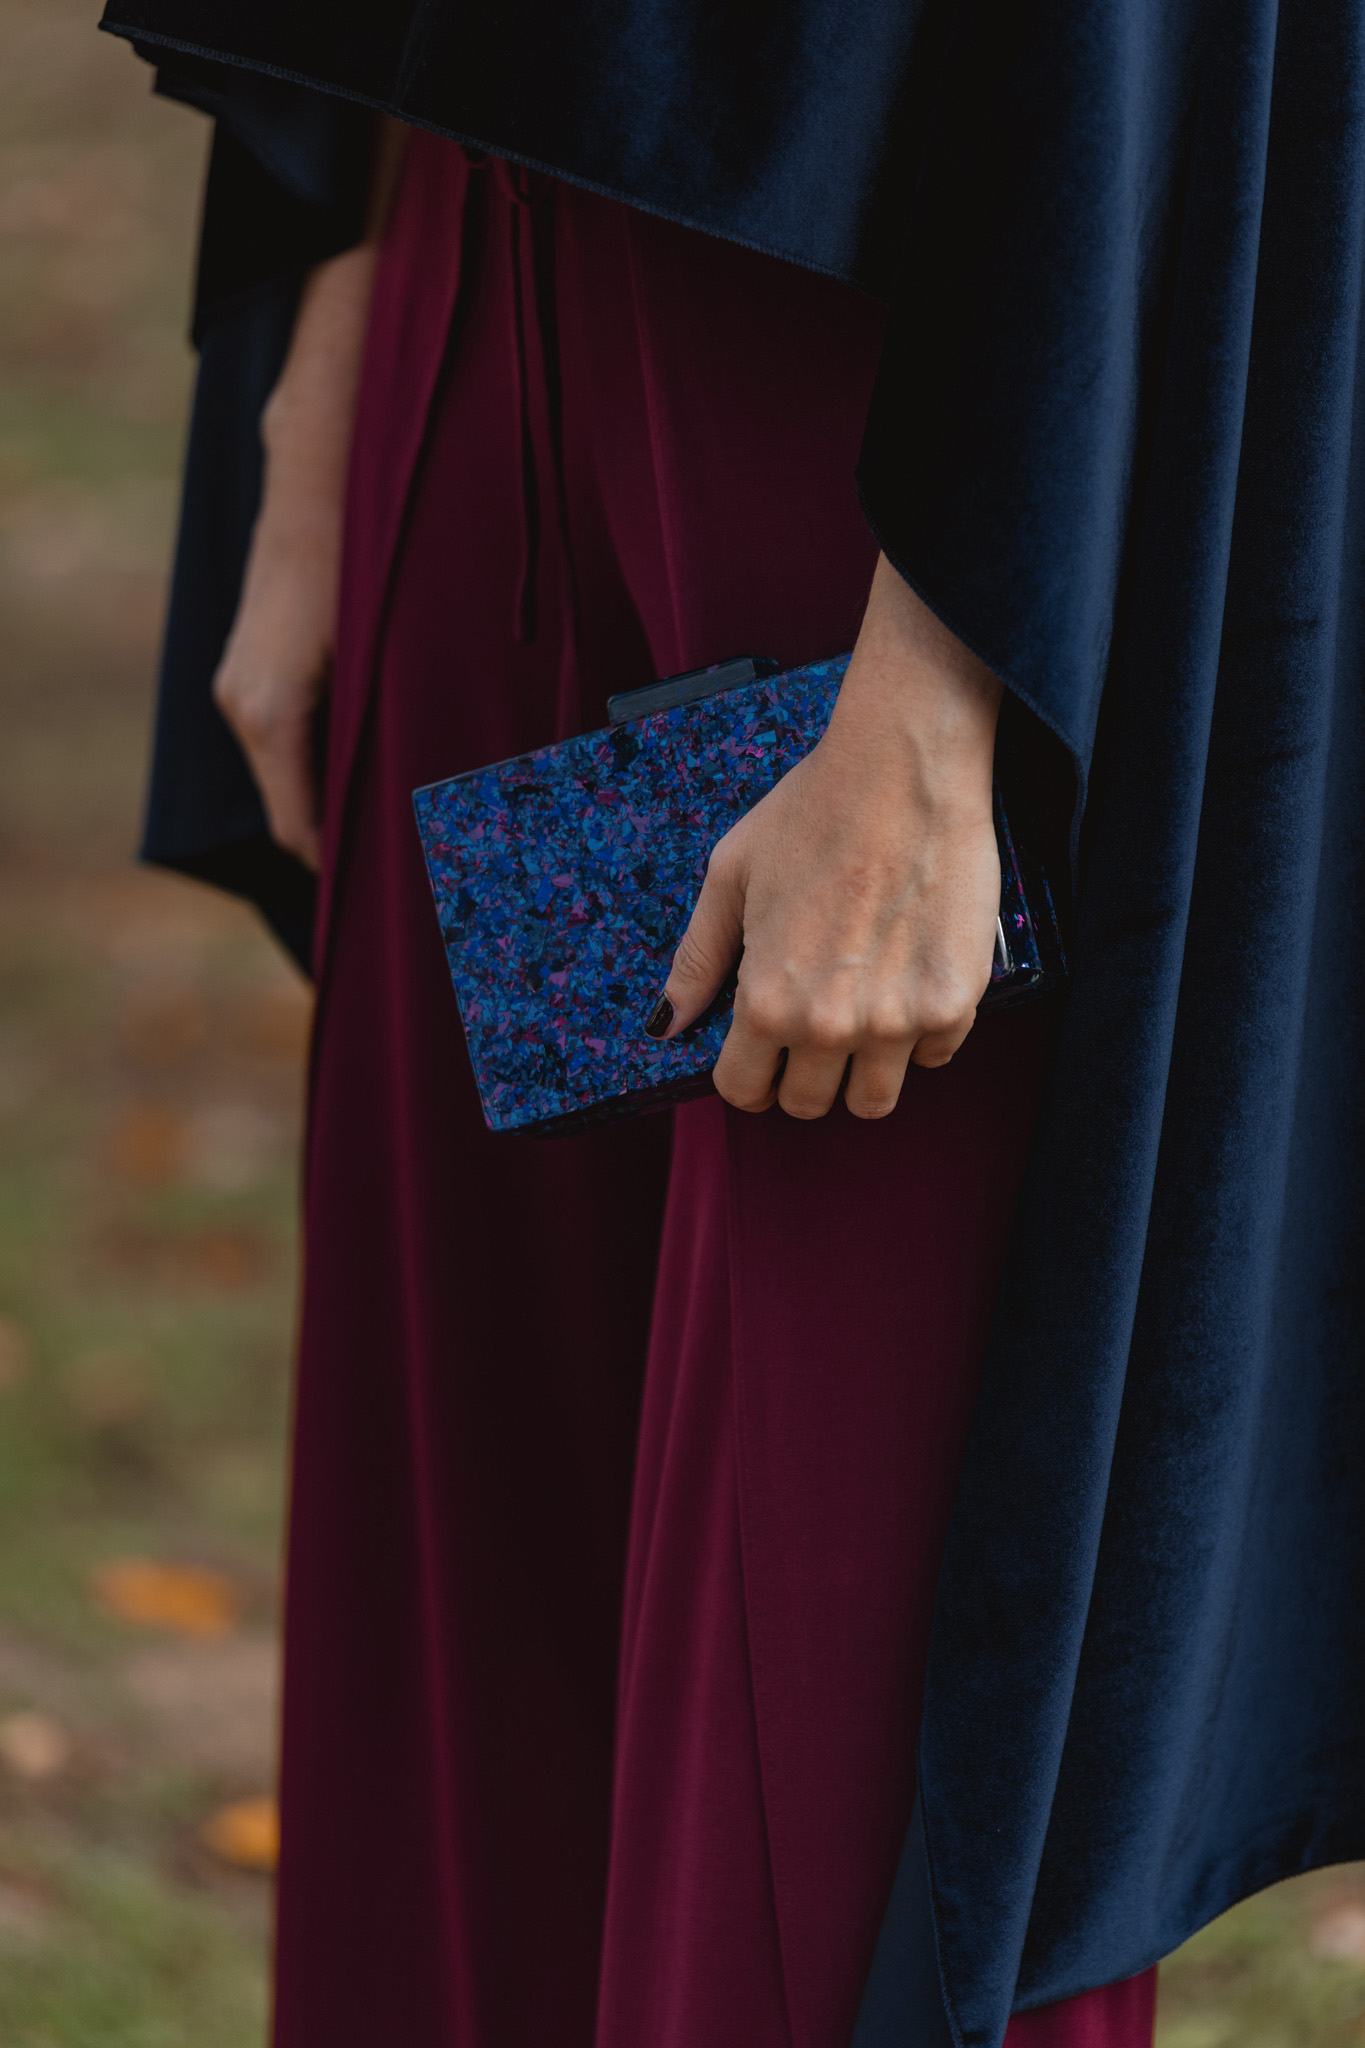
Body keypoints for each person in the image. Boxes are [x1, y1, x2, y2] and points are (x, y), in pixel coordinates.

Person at [102, 7, 1365, 2046]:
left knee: (838, 1734)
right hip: (466, 265)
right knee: (461, 1644)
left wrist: (948, 688)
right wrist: (320, 362)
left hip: (900, 396)